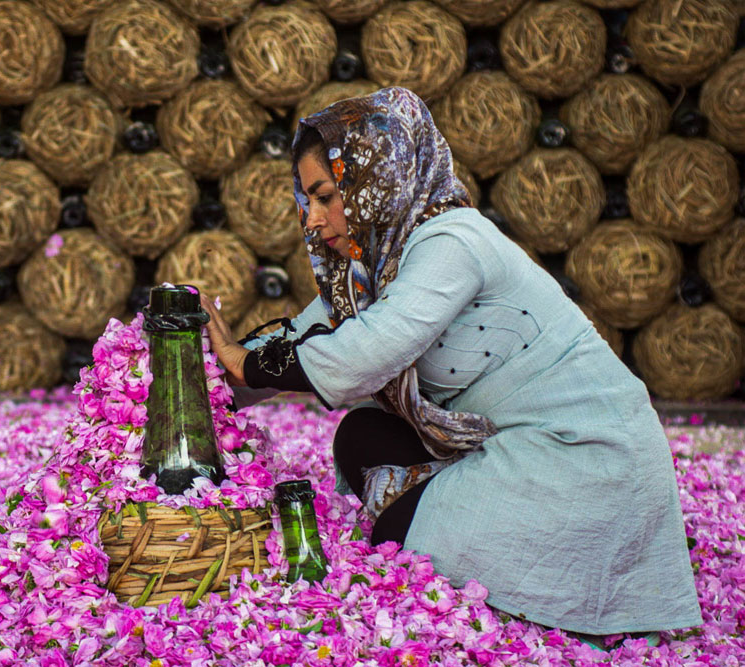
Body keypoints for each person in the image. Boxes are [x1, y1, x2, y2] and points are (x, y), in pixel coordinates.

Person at [199, 87, 701, 644]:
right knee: (363, 436)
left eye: (324, 196)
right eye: (307, 202)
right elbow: (304, 334)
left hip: (584, 456)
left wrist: (246, 366)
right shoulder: (376, 264)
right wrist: (197, 373)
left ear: (373, 178)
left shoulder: (452, 242)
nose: (313, 221)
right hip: (510, 447)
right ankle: (461, 524)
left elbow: (366, 352)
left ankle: (546, 580)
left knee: (397, 529)